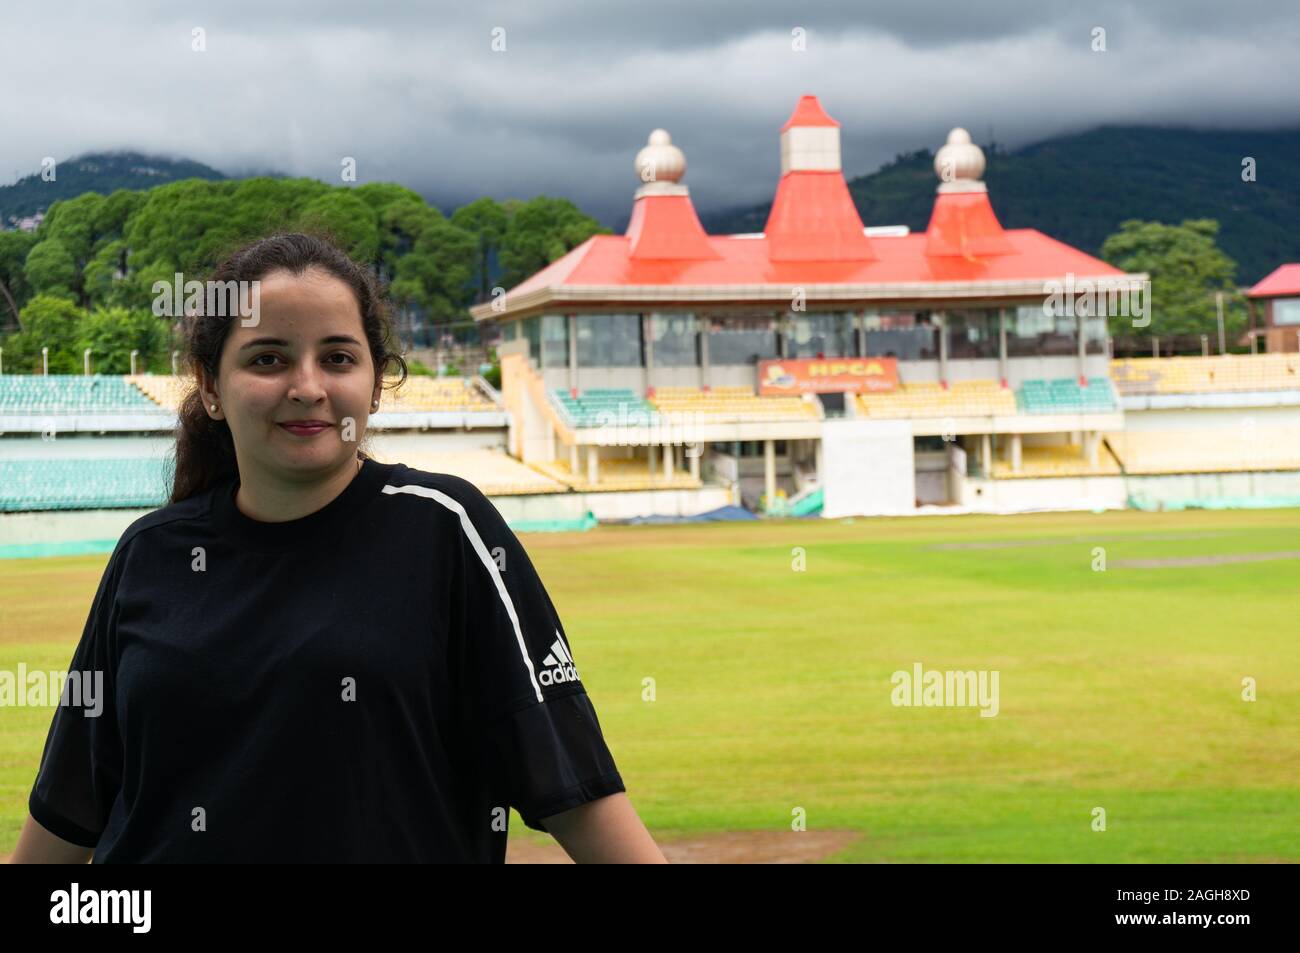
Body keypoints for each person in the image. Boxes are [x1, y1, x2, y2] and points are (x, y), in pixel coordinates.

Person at [10, 232, 665, 864]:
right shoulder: (148, 554)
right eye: (267, 357)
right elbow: (70, 806)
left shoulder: (448, 532)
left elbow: (578, 793)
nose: (307, 385)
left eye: (338, 356)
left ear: (376, 383)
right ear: (210, 386)